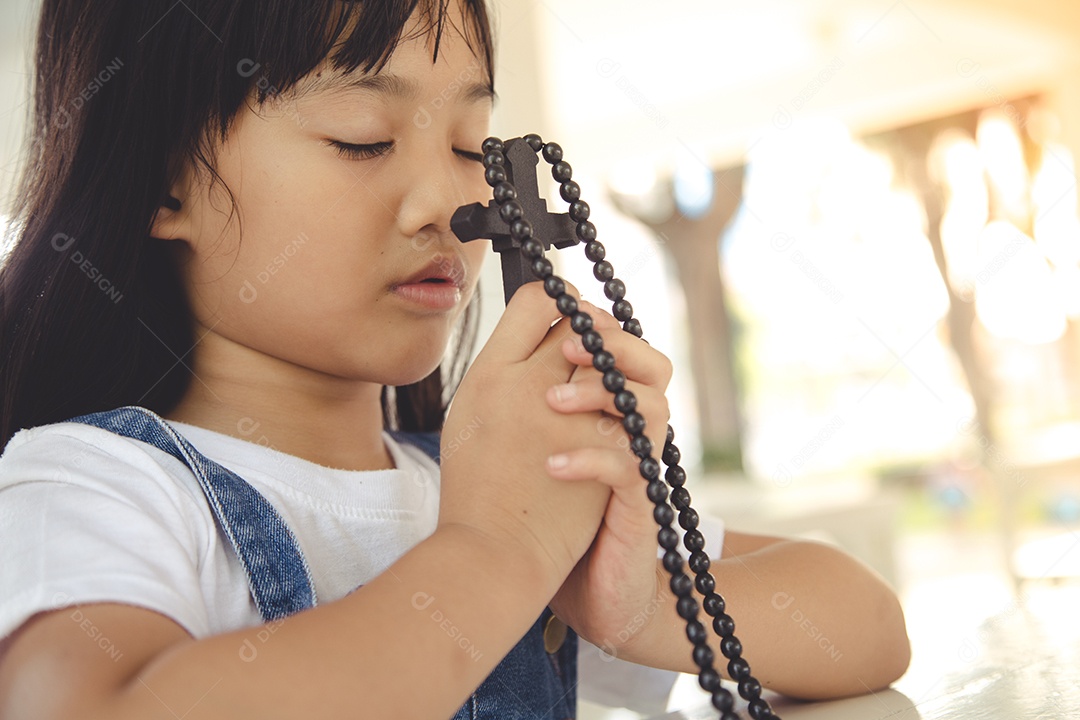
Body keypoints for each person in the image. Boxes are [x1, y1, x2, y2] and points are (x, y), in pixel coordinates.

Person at [0, 1, 911, 718]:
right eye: (363, 137)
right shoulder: (97, 487)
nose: (449, 202)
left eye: (473, 146)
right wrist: (495, 553)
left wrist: (638, 607)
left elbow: (867, 624)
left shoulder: (496, 477)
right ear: (164, 179)